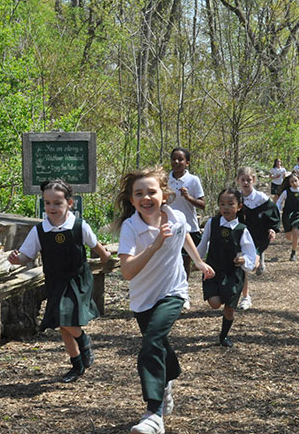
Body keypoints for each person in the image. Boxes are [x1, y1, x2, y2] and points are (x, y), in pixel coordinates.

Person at [113, 167, 215, 434]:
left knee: (151, 343)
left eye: (151, 192)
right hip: (142, 299)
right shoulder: (130, 227)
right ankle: (168, 379)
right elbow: (127, 271)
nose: (146, 198)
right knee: (159, 344)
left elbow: (184, 239)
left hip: (173, 292)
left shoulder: (177, 217)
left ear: (164, 195)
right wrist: (155, 245)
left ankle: (153, 413)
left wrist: (199, 262)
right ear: (131, 200)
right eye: (139, 194)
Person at [7, 179, 111, 383]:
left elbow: (99, 250)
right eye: (47, 203)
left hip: (78, 279)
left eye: (57, 203)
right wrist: (15, 259)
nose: (51, 208)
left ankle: (84, 341)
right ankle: (77, 364)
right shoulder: (40, 230)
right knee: (63, 325)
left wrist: (107, 257)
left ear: (69, 203)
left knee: (66, 318)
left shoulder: (80, 226)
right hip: (55, 281)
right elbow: (26, 256)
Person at [196, 188, 256, 346]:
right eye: (222, 204)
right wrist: (197, 261)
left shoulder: (242, 230)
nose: (226, 207)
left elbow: (250, 253)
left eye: (230, 204)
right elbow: (202, 245)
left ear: (239, 207)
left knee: (229, 309)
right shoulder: (212, 223)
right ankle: (223, 294)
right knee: (214, 303)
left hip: (233, 274)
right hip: (213, 271)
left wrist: (243, 260)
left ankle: (223, 336)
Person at [235, 166, 280, 310]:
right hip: (243, 237)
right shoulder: (236, 198)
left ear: (253, 180)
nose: (246, 183)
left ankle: (259, 257)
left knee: (252, 265)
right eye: (243, 180)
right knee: (244, 267)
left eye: (249, 180)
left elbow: (273, 214)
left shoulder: (261, 198)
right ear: (238, 181)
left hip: (259, 235)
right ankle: (246, 297)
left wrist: (273, 229)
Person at [166, 147, 205, 310]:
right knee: (169, 262)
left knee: (184, 262)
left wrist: (188, 197)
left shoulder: (193, 180)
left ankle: (184, 294)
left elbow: (202, 205)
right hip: (168, 226)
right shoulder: (165, 179)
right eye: (174, 159)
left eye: (180, 159)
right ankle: (169, 294)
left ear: (187, 163)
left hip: (189, 227)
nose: (177, 162)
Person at [276, 173, 299, 262]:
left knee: (295, 231)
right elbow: (279, 201)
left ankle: (293, 253)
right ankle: (294, 241)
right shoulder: (286, 192)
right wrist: (278, 209)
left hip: (298, 214)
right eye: (291, 182)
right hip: (287, 214)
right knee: (289, 236)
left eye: (295, 181)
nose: (294, 183)